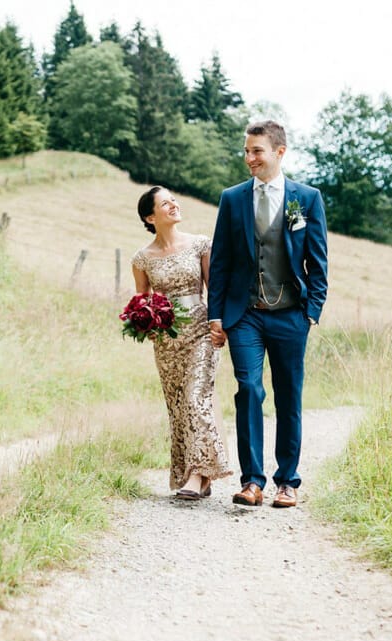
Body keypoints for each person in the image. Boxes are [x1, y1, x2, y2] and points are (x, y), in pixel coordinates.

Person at [207, 120, 328, 508]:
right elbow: (221, 261)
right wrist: (216, 315)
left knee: (288, 396)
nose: (249, 158)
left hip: (291, 314)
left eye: (256, 151)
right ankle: (252, 481)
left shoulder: (305, 199)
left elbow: (318, 261)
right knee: (249, 389)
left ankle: (287, 482)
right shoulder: (232, 198)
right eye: (246, 151)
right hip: (244, 315)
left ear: (279, 152)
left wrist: (312, 310)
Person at [132, 186, 231, 499]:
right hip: (166, 340)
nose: (174, 204)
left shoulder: (200, 244)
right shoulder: (142, 258)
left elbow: (212, 289)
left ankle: (198, 473)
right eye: (165, 203)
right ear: (151, 216)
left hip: (201, 331)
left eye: (174, 199)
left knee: (195, 397)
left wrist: (220, 324)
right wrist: (144, 322)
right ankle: (198, 479)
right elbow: (141, 300)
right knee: (178, 406)